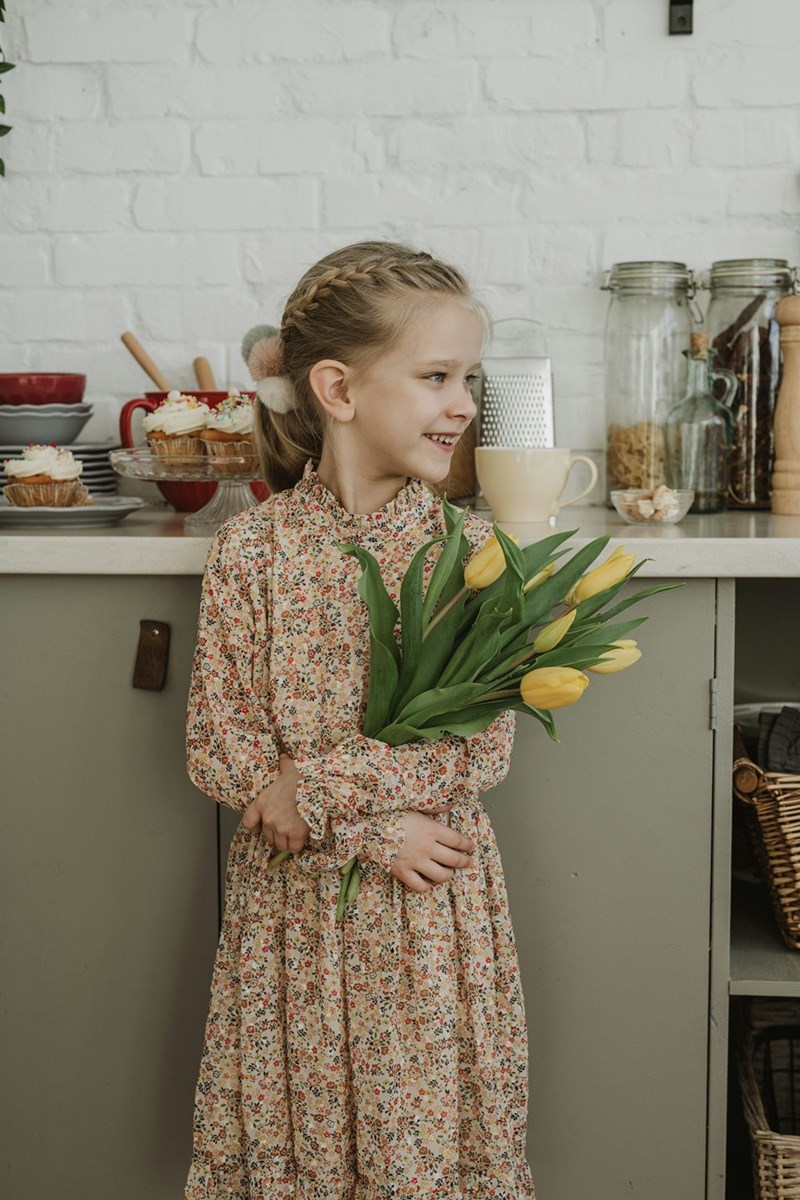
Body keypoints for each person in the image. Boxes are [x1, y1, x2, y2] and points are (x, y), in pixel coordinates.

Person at [185, 240, 535, 1200]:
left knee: (417, 1147)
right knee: (300, 1149)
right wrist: (370, 823)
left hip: (426, 916)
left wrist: (318, 785)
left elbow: (480, 740)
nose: (462, 402)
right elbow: (223, 745)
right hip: (291, 917)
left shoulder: (471, 550)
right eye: (434, 377)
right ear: (338, 389)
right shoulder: (249, 553)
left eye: (468, 377)